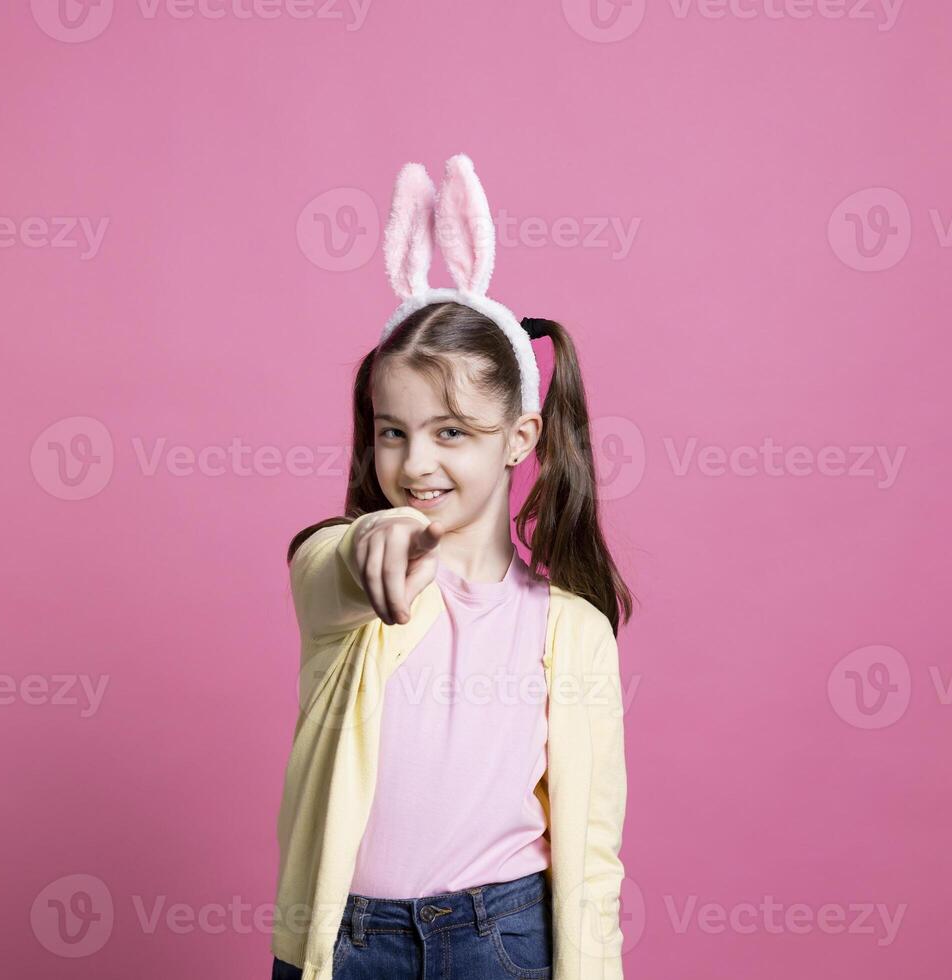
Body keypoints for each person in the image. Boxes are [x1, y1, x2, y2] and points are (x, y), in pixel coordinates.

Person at [271, 154, 632, 980]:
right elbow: (333, 563)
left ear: (519, 439)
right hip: (348, 943)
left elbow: (592, 852)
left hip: (501, 938)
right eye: (391, 430)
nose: (414, 460)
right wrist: (372, 544)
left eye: (451, 432)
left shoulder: (571, 629)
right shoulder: (350, 583)